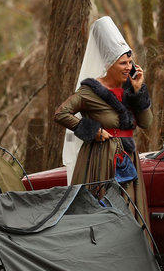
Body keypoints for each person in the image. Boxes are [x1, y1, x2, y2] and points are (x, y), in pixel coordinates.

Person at [54, 16, 152, 223]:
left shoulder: (130, 88)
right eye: (123, 63)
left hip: (127, 157)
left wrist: (139, 91)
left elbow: (146, 123)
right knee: (102, 209)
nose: (128, 67)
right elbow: (61, 113)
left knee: (128, 210)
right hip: (99, 159)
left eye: (130, 62)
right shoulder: (90, 91)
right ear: (109, 64)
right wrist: (92, 130)